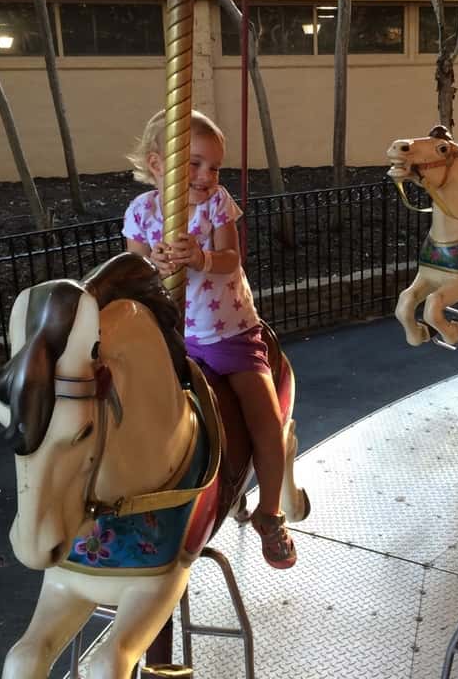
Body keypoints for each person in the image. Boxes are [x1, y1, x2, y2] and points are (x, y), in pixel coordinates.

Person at [122, 109, 296, 570]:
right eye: (194, 163)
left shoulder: (217, 203)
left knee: (264, 420)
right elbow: (132, 274)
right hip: (171, 337)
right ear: (158, 164)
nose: (206, 175)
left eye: (214, 166)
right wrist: (154, 267)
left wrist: (199, 256)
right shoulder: (141, 212)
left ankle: (271, 512)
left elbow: (231, 259)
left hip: (228, 333)